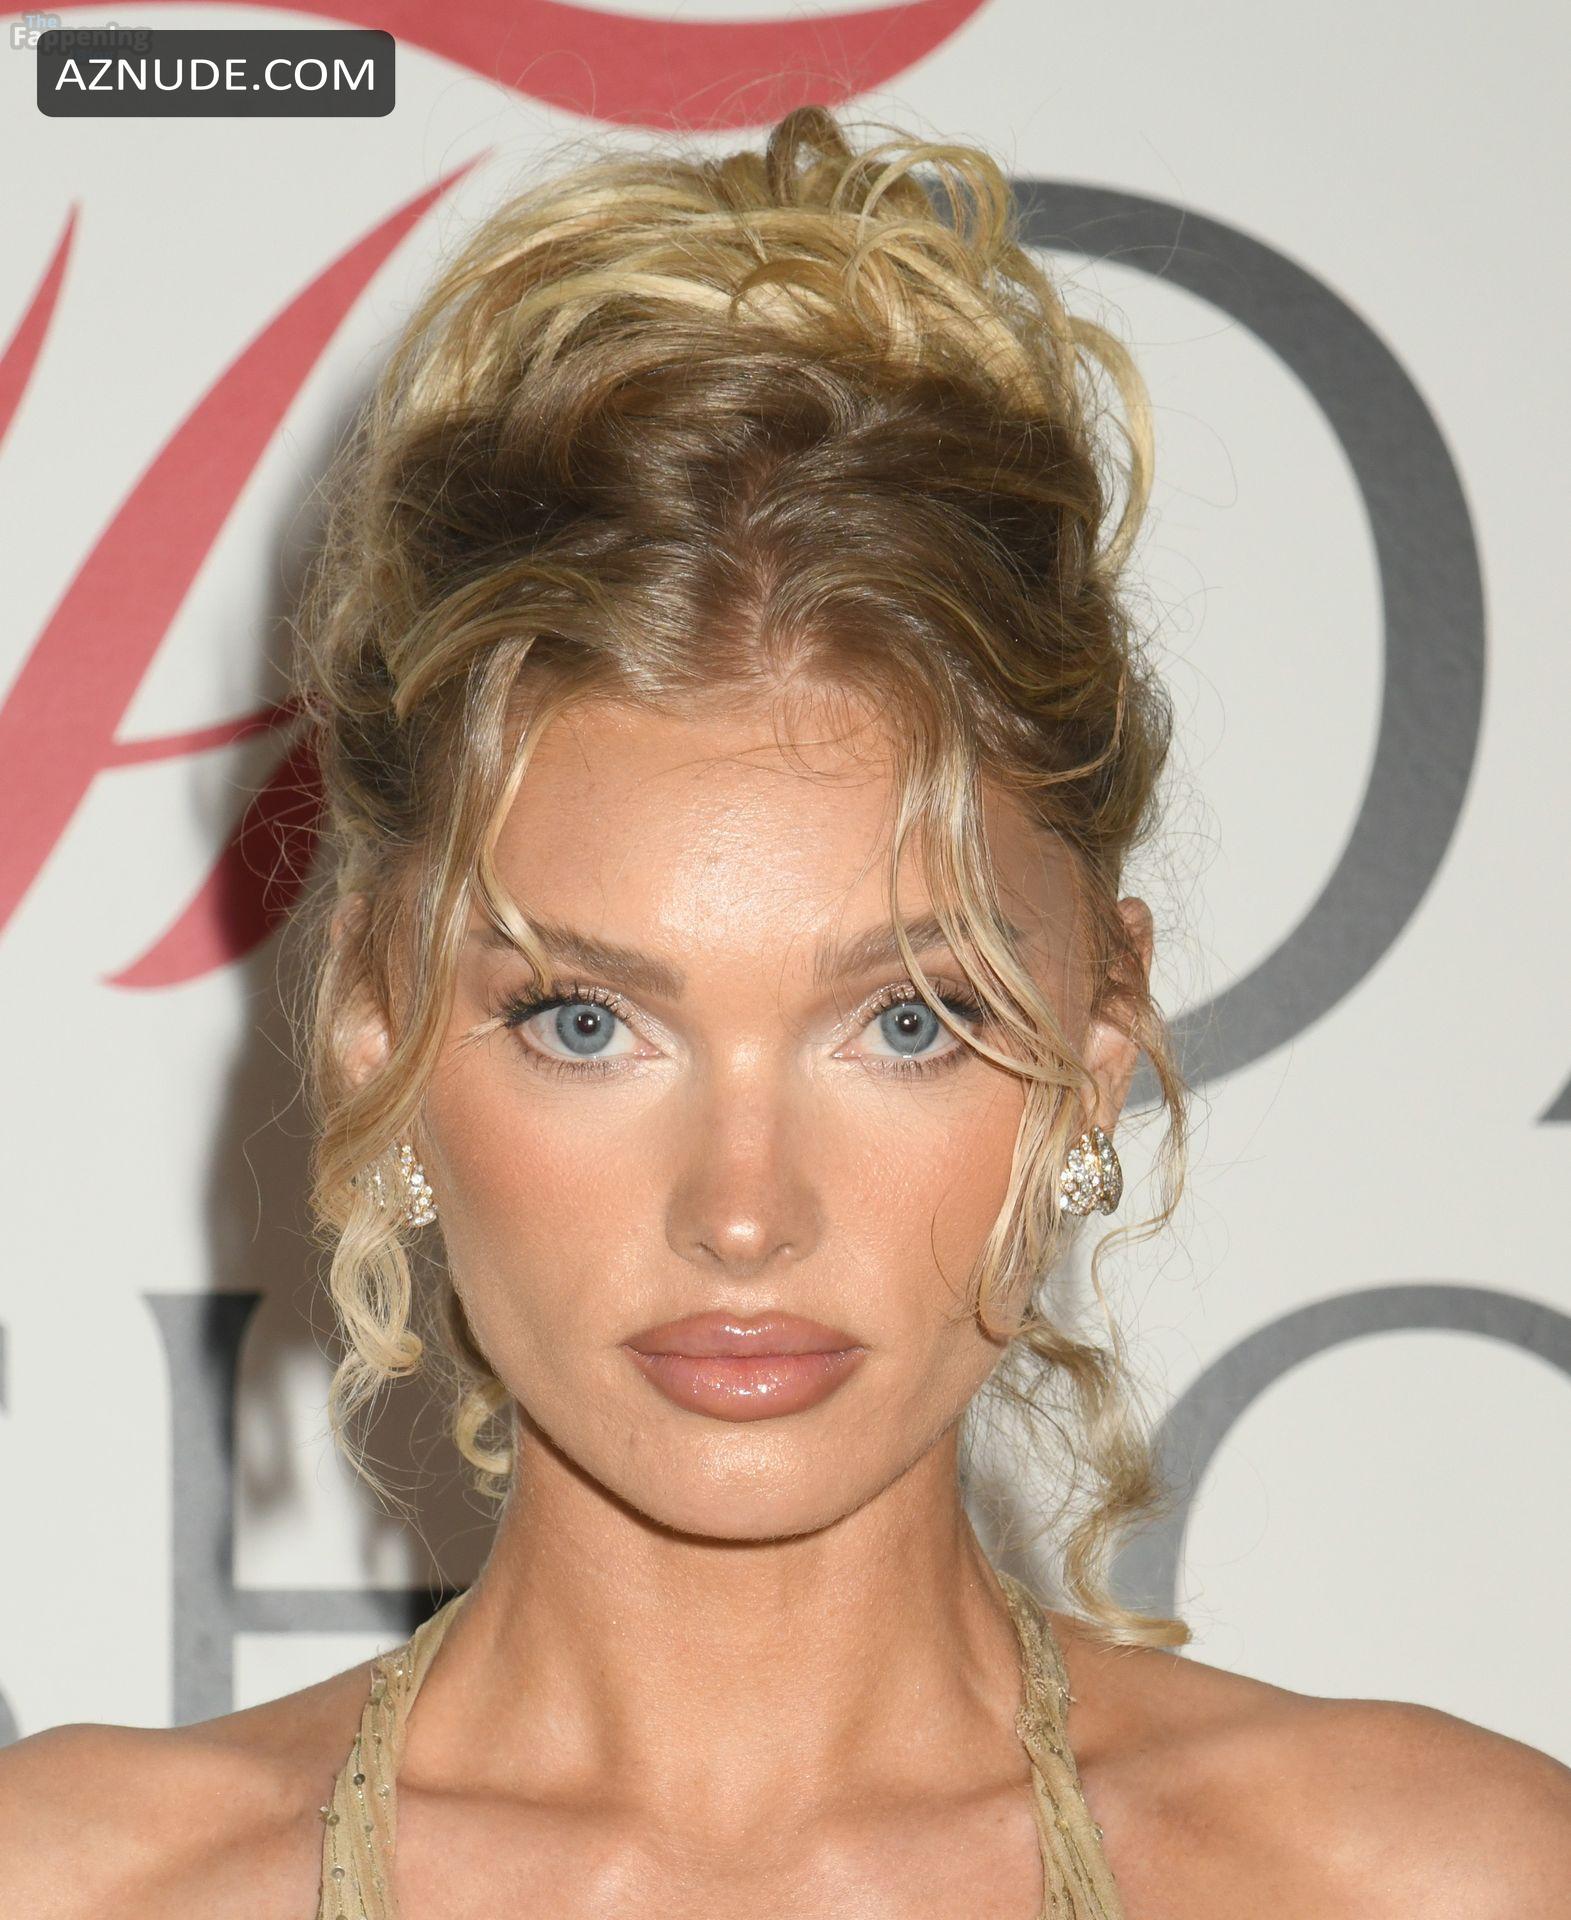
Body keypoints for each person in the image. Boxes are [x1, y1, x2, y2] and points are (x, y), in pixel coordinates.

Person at [3, 103, 1568, 1920]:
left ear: (1100, 1037)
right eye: (586, 1022)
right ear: (376, 1019)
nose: (743, 1214)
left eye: (907, 1021)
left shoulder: (1445, 1881)